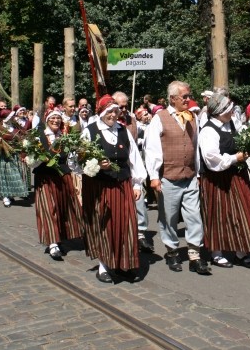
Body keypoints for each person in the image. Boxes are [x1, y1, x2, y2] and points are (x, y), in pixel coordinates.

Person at [75, 95, 147, 283]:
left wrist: (137, 183)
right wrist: (97, 164)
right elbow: (77, 161)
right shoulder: (90, 132)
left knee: (126, 223)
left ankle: (124, 263)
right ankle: (104, 266)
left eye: (116, 111)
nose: (114, 115)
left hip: (122, 184)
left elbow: (134, 158)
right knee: (103, 224)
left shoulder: (124, 131)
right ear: (102, 113)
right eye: (110, 112)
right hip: (99, 186)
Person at [144, 80, 210, 275]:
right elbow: (152, 149)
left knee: (194, 216)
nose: (188, 100)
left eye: (189, 96)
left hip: (189, 176)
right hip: (169, 177)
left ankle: (194, 255)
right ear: (173, 99)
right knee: (169, 217)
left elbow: (194, 147)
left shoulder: (192, 118)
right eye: (185, 97)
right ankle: (172, 251)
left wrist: (197, 172)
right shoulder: (160, 118)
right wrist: (154, 176)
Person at [199, 91, 250, 270]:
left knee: (245, 211)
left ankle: (241, 251)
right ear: (219, 111)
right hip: (217, 178)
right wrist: (236, 158)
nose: (232, 112)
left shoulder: (233, 123)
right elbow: (212, 160)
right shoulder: (209, 131)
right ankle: (216, 252)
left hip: (236, 175)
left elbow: (245, 139)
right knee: (218, 215)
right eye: (228, 109)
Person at [33, 109, 83, 261]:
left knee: (63, 207)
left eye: (58, 118)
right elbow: (31, 159)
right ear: (47, 120)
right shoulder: (38, 136)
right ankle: (52, 242)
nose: (56, 120)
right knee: (48, 208)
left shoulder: (64, 136)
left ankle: (60, 236)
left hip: (63, 176)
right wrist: (40, 159)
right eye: (53, 118)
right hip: (45, 177)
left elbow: (71, 158)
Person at [113, 91, 154, 254]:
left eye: (125, 106)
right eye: (120, 106)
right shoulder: (106, 120)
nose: (123, 110)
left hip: (132, 167)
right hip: (114, 169)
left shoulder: (131, 121)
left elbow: (135, 144)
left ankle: (141, 233)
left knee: (139, 201)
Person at [0, 109, 30, 207]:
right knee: (4, 175)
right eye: (10, 117)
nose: (12, 118)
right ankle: (5, 196)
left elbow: (23, 135)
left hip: (15, 153)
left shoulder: (15, 126)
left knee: (14, 174)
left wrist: (24, 149)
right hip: (3, 154)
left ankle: (11, 194)